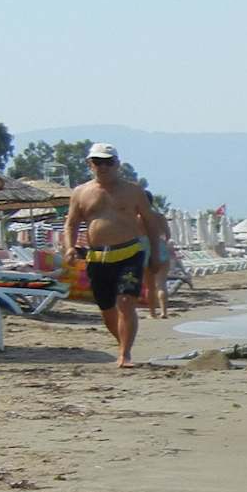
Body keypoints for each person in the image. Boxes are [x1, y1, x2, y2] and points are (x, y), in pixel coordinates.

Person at [60, 143, 152, 367]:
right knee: (107, 308)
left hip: (129, 253)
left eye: (108, 162)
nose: (103, 167)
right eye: (97, 162)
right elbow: (71, 224)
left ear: (117, 164)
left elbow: (150, 221)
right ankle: (123, 343)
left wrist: (157, 253)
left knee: (125, 301)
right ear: (89, 164)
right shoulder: (80, 192)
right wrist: (70, 247)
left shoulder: (133, 191)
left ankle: (125, 354)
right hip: (98, 257)